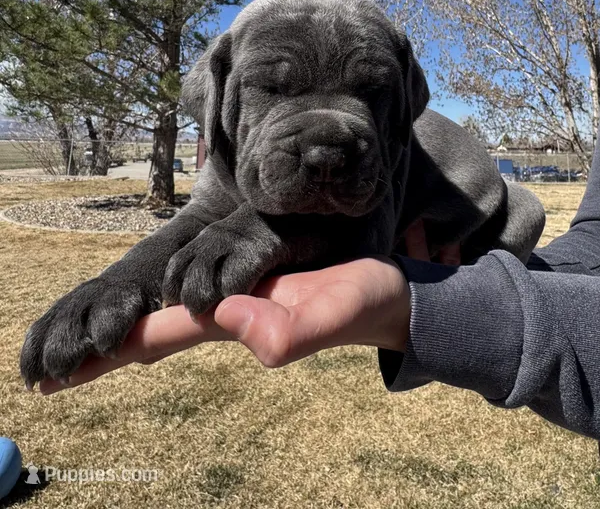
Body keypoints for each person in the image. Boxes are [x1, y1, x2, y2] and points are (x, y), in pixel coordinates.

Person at [38, 145, 600, 442]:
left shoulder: (393, 146)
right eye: (272, 88)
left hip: (480, 222)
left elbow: (367, 228)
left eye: (371, 91)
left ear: (404, 97)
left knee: (521, 208)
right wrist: (119, 282)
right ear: (220, 101)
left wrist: (469, 296)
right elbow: (595, 240)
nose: (324, 153)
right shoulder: (228, 145)